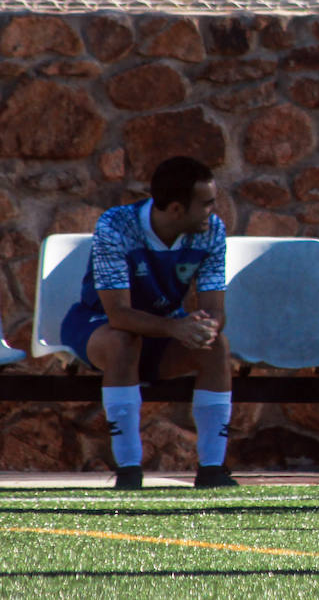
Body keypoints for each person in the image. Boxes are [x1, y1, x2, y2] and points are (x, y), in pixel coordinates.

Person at [58, 156, 238, 490]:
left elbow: (215, 307)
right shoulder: (116, 225)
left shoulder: (211, 231)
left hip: (163, 330)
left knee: (218, 347)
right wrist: (177, 328)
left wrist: (206, 328)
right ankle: (129, 470)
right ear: (175, 210)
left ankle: (212, 469)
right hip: (97, 325)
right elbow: (119, 315)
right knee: (123, 341)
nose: (212, 212)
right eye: (205, 204)